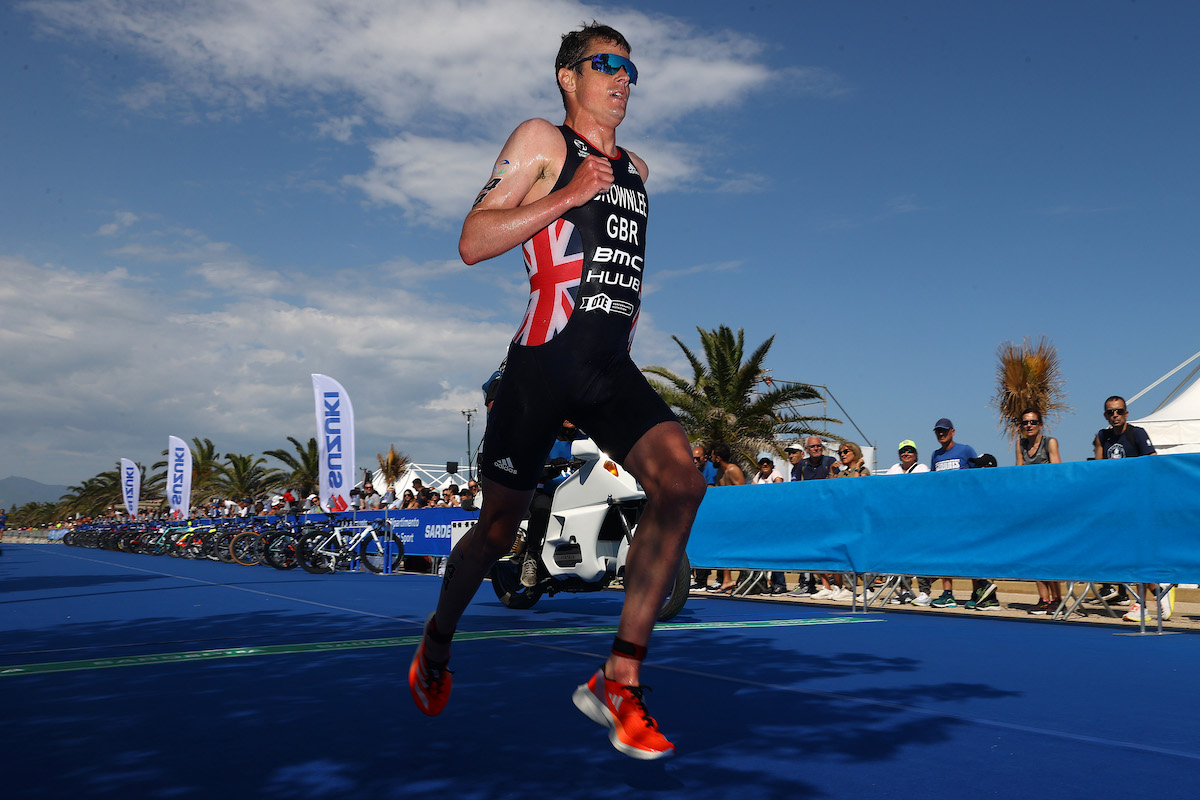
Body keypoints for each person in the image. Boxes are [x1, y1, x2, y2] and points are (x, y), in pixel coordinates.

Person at [408, 22, 706, 761]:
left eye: (630, 69)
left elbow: (620, 278)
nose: (622, 78)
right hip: (540, 364)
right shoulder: (544, 141)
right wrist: (568, 192)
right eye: (606, 64)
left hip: (608, 368)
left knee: (682, 483)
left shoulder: (639, 169)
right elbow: (474, 240)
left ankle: (619, 678)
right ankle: (436, 642)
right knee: (498, 531)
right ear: (568, 77)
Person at [1092, 396, 1167, 621]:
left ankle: (1140, 605)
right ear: (1105, 415)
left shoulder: (1138, 433)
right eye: (1110, 412)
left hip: (1138, 503)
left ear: (1126, 413)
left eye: (1119, 411)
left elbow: (1154, 463)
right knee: (1124, 554)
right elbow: (1097, 470)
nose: (1115, 415)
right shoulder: (1102, 437)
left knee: (1139, 553)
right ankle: (1157, 590)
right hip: (1114, 506)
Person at [928, 418, 985, 609]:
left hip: (967, 512)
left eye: (944, 430)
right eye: (938, 431)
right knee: (946, 552)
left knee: (971, 551)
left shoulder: (966, 450)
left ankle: (978, 592)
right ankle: (947, 593)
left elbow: (978, 477)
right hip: (945, 513)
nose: (941, 434)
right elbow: (934, 484)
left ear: (953, 431)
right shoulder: (935, 455)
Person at [1015, 410, 1065, 615]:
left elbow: (1058, 473)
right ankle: (1043, 599)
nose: (1029, 426)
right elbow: (1018, 473)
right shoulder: (1020, 445)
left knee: (1050, 553)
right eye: (1026, 423)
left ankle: (1058, 599)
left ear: (1040, 424)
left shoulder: (1050, 443)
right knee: (1035, 553)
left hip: (1049, 506)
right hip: (1031, 507)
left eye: (1033, 422)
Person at [883, 439, 929, 604]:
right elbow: (884, 488)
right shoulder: (894, 469)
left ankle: (924, 592)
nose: (906, 453)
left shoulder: (922, 468)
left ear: (915, 454)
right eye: (903, 451)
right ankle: (905, 591)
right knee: (902, 557)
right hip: (898, 522)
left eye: (909, 450)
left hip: (918, 521)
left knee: (920, 557)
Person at [706, 443, 745, 593]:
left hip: (736, 516)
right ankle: (726, 581)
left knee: (734, 548)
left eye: (713, 456)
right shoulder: (719, 474)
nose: (711, 460)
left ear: (719, 458)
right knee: (723, 547)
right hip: (724, 517)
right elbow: (717, 494)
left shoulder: (733, 470)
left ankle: (740, 580)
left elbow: (742, 493)